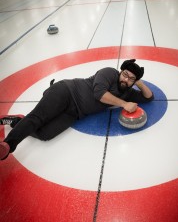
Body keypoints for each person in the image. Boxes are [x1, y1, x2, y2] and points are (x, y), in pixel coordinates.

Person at [0, 59, 154, 160]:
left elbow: (148, 98)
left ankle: (18, 121)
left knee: (44, 134)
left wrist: (139, 84)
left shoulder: (127, 91)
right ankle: (7, 145)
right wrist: (124, 104)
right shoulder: (109, 72)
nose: (126, 79)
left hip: (74, 113)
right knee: (37, 119)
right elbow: (99, 94)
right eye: (125, 74)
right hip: (66, 91)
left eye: (131, 79)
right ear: (120, 71)